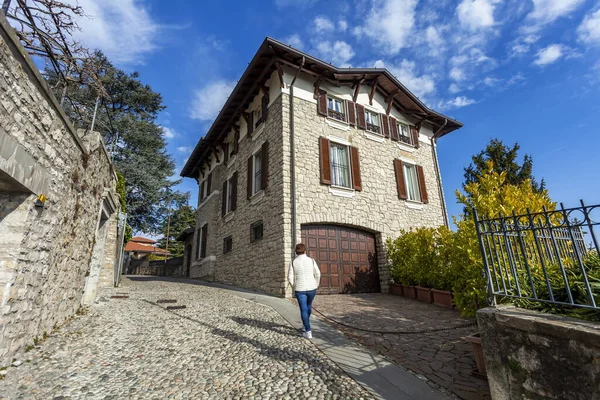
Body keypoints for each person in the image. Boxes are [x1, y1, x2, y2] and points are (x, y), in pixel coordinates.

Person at [288, 243, 321, 339]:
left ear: (296, 252)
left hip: (300, 288)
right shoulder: (311, 261)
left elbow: (290, 276)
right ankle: (305, 325)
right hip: (312, 288)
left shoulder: (293, 262)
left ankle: (307, 330)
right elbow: (318, 274)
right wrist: (316, 284)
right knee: (308, 306)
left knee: (303, 309)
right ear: (305, 251)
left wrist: (294, 286)